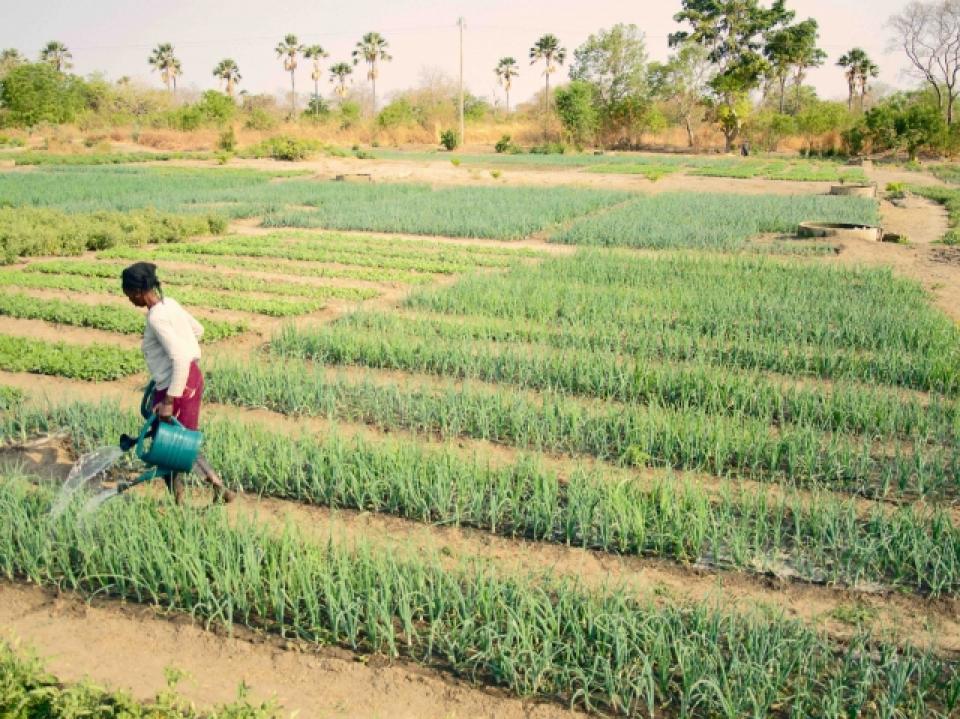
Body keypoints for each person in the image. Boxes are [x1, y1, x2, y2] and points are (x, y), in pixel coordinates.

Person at [121, 262, 234, 504]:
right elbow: (198, 330)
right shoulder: (169, 304)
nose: (129, 300)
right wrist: (174, 360)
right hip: (189, 378)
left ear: (139, 292)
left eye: (129, 294)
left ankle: (210, 487)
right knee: (174, 441)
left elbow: (180, 356)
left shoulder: (156, 318)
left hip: (179, 385)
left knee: (174, 445)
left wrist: (170, 399)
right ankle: (203, 492)